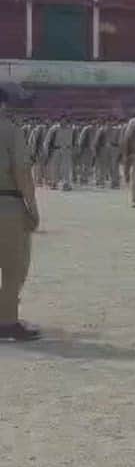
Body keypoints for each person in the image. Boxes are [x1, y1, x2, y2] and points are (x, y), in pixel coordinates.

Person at [0, 87, 40, 341]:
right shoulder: (9, 130)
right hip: (6, 204)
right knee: (13, 266)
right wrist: (32, 207)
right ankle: (7, 321)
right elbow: (22, 172)